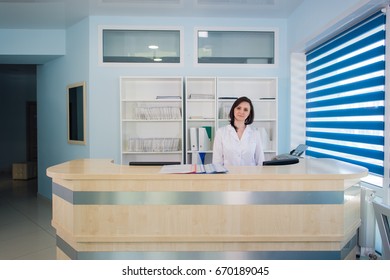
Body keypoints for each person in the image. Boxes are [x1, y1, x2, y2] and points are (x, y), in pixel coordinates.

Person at [212, 96, 265, 166]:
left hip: (250, 175)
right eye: (238, 108)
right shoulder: (221, 132)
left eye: (245, 110)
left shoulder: (255, 133)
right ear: (233, 109)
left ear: (249, 113)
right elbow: (217, 162)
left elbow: (260, 161)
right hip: (228, 175)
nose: (241, 112)